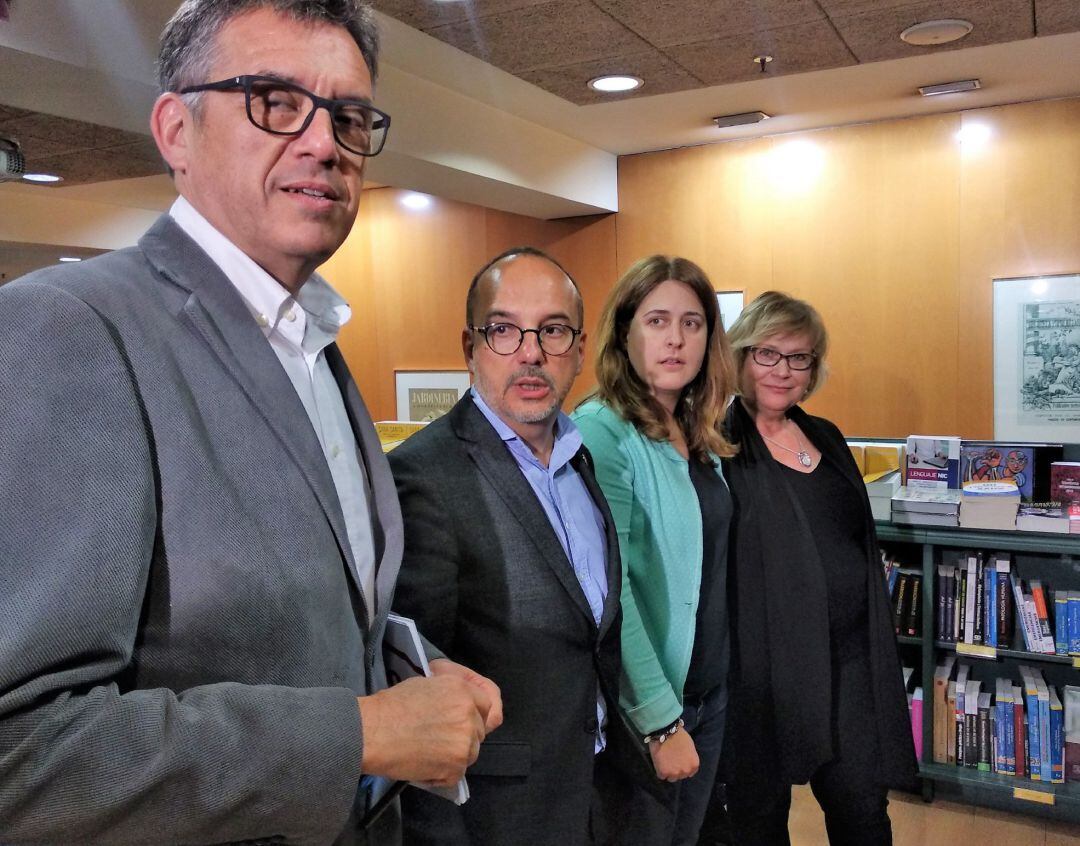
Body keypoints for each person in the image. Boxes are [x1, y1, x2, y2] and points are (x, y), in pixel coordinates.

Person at [0, 2, 500, 843]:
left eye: (347, 116)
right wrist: (363, 732)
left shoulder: (311, 341)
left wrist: (406, 671)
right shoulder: (69, 329)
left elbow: (276, 620)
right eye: (272, 99)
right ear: (175, 130)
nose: (322, 142)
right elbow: (22, 750)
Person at [388, 247, 627, 846]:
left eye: (551, 329)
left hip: (595, 786)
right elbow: (417, 678)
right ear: (469, 348)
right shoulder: (424, 476)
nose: (530, 352)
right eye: (503, 330)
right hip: (496, 813)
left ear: (578, 347)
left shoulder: (579, 458)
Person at [718, 291, 917, 845]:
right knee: (758, 817)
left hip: (848, 660)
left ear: (813, 367)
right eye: (768, 354)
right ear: (740, 356)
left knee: (863, 809)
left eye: (799, 357)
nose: (783, 370)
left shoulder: (826, 436)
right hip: (764, 667)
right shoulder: (718, 445)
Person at [571, 255, 738, 846]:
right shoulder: (602, 431)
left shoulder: (697, 431)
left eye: (692, 324)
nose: (676, 339)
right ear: (624, 332)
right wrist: (660, 722)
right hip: (654, 709)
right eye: (657, 320)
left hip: (708, 693)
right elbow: (610, 593)